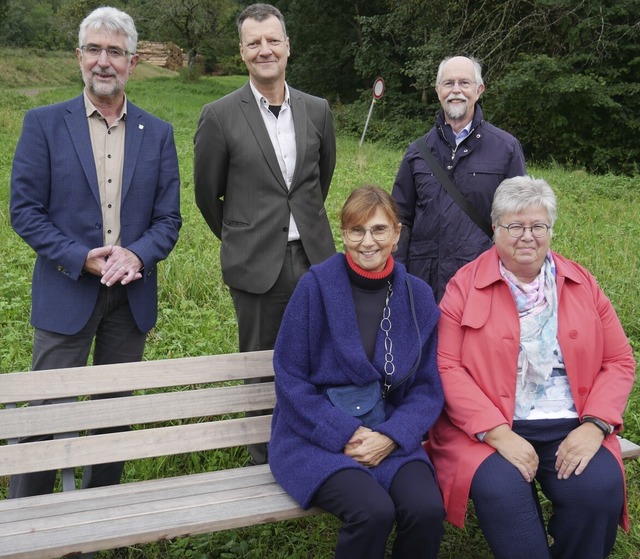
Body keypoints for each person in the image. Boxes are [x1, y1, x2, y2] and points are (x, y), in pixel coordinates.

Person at [9, 6, 182, 497]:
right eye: (94, 50)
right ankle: (28, 525)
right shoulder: (44, 123)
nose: (103, 61)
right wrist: (79, 255)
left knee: (114, 416)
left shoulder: (159, 132)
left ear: (131, 61)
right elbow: (24, 211)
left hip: (130, 298)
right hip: (67, 289)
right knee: (47, 413)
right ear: (78, 56)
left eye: (115, 52)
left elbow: (169, 219)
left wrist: (138, 256)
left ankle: (100, 521)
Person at [428, 176, 636, 558]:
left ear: (550, 230)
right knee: (503, 490)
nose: (527, 236)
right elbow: (446, 366)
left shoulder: (581, 283)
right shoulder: (464, 285)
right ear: (495, 229)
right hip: (492, 426)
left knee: (598, 490)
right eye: (515, 226)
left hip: (571, 422)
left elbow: (619, 360)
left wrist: (595, 425)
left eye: (538, 226)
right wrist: (495, 432)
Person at [269, 185, 445, 559]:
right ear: (343, 234)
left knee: (426, 510)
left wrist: (393, 436)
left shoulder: (417, 296)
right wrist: (344, 433)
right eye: (356, 230)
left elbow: (427, 388)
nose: (368, 242)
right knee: (373, 512)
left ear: (397, 234)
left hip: (389, 433)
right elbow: (290, 377)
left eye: (379, 230)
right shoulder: (314, 288)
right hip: (312, 436)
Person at [194, 3, 336, 464]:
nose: (264, 50)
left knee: (318, 355)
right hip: (255, 263)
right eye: (254, 43)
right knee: (260, 363)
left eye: (272, 40)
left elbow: (320, 179)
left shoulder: (317, 110)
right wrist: (247, 235)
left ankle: (314, 444)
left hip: (315, 258)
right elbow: (206, 194)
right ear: (241, 52)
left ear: (288, 47)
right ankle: (265, 456)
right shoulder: (218, 115)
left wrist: (302, 226)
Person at [392, 55, 526, 302]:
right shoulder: (417, 153)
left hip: (482, 282)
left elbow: (519, 221)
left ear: (479, 90)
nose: (456, 90)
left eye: (464, 83)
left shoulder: (506, 148)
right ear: (437, 90)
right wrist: (397, 275)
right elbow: (400, 219)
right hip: (424, 284)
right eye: (448, 83)